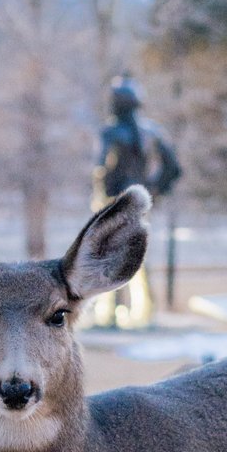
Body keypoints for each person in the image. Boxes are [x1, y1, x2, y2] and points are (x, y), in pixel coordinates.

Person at [91, 77, 181, 327]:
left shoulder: (110, 132)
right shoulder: (151, 132)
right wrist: (153, 190)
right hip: (138, 201)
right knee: (137, 257)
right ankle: (144, 312)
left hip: (112, 203)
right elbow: (173, 168)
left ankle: (108, 313)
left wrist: (102, 197)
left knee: (107, 257)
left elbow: (100, 167)